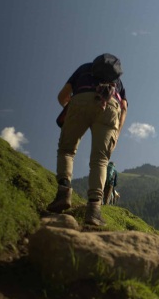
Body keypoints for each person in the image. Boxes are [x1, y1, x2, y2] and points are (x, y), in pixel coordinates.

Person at [47, 54, 128, 226]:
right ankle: (94, 211)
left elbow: (62, 96)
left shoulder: (84, 69)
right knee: (100, 160)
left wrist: (73, 110)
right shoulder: (118, 82)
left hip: (80, 101)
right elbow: (124, 107)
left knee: (67, 150)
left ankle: (63, 193)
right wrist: (117, 132)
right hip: (110, 107)